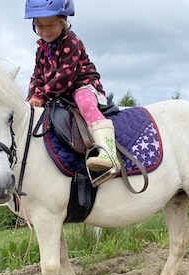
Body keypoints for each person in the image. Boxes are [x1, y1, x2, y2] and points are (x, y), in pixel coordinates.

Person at [25, 0, 119, 175]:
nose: (45, 31)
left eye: (51, 25)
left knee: (85, 103)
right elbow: (37, 76)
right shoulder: (41, 49)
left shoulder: (71, 42)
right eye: (40, 26)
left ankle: (109, 154)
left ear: (63, 21)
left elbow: (65, 76)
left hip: (80, 85)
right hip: (56, 94)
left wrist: (43, 96)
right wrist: (32, 96)